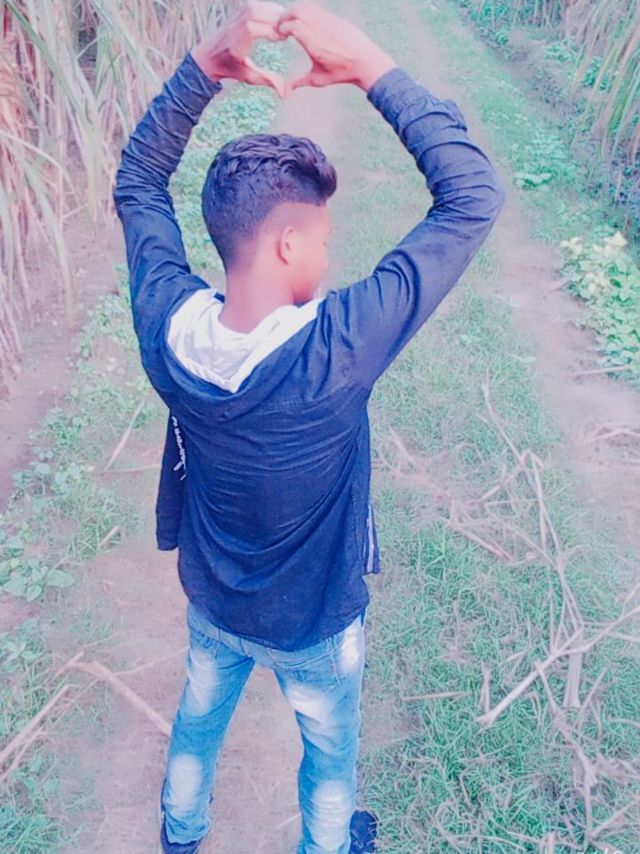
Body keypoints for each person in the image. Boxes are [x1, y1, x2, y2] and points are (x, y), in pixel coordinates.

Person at [113, 1, 505, 852]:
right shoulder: (335, 350)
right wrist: (370, 65)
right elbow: (472, 196)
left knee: (196, 722)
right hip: (318, 624)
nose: (329, 257)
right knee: (329, 761)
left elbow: (138, 181)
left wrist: (200, 70)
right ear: (290, 244)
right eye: (323, 239)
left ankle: (180, 833)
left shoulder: (166, 325)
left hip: (214, 601)